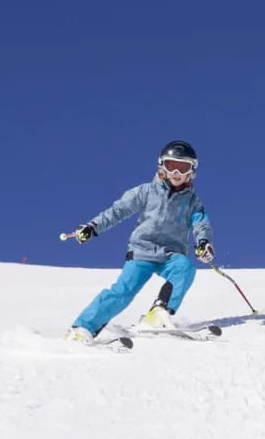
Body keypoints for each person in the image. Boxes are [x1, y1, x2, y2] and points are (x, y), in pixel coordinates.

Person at [64, 140, 215, 341]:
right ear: (162, 166)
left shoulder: (192, 202)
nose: (176, 173)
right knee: (123, 292)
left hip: (170, 254)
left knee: (184, 268)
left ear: (192, 170)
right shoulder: (145, 192)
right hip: (141, 251)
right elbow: (118, 211)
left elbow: (201, 224)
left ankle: (158, 313)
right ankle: (82, 328)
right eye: (172, 166)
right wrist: (93, 227)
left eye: (183, 167)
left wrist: (203, 242)